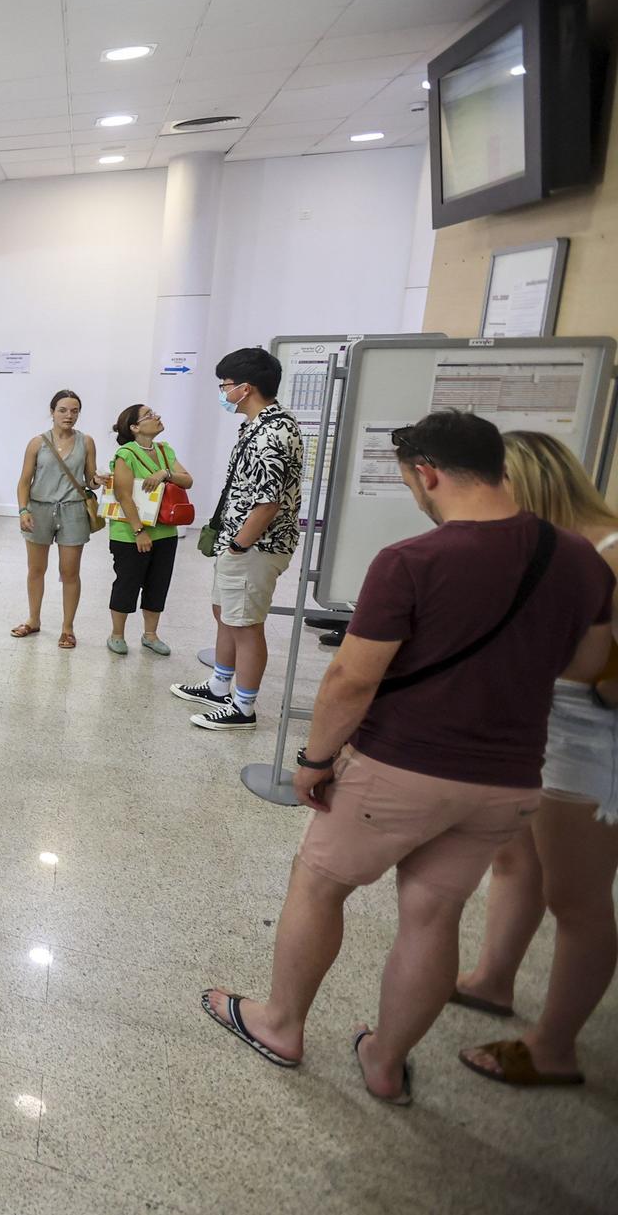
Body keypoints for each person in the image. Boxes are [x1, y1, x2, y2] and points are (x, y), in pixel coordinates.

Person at [200, 413, 610, 1105]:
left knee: (319, 883)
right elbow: (590, 662)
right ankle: (386, 1063)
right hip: (508, 778)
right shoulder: (578, 558)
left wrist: (315, 757)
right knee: (433, 913)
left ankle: (281, 1023)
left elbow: (351, 680)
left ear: (428, 473)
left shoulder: (412, 561)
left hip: (403, 765)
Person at [454, 431, 618, 1090]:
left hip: (592, 743)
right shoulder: (551, 546)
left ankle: (554, 1047)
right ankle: (494, 978)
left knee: (575, 897)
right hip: (542, 728)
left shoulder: (609, 548)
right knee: (515, 858)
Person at [172, 349, 303, 729]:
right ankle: (218, 686)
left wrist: (239, 545)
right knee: (226, 614)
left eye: (225, 386)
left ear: (245, 388)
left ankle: (243, 708)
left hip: (255, 547)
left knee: (246, 626)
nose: (222, 392)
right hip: (241, 543)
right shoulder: (258, 424)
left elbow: (267, 503)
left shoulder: (272, 433)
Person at [13, 390, 98, 649]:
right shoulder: (37, 443)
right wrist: (23, 510)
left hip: (73, 511)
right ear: (52, 412)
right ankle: (33, 619)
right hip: (39, 509)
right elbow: (24, 481)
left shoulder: (86, 442)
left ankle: (67, 628)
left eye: (74, 411)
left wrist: (99, 480)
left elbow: (90, 477)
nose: (68, 415)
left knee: (70, 571)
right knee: (36, 569)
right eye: (63, 410)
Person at [105, 403, 192, 656]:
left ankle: (151, 635)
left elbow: (187, 479)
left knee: (158, 583)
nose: (157, 417)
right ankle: (117, 634)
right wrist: (138, 531)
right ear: (134, 427)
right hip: (131, 533)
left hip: (165, 531)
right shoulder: (126, 454)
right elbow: (123, 495)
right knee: (127, 583)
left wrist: (165, 473)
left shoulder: (165, 451)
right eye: (149, 415)